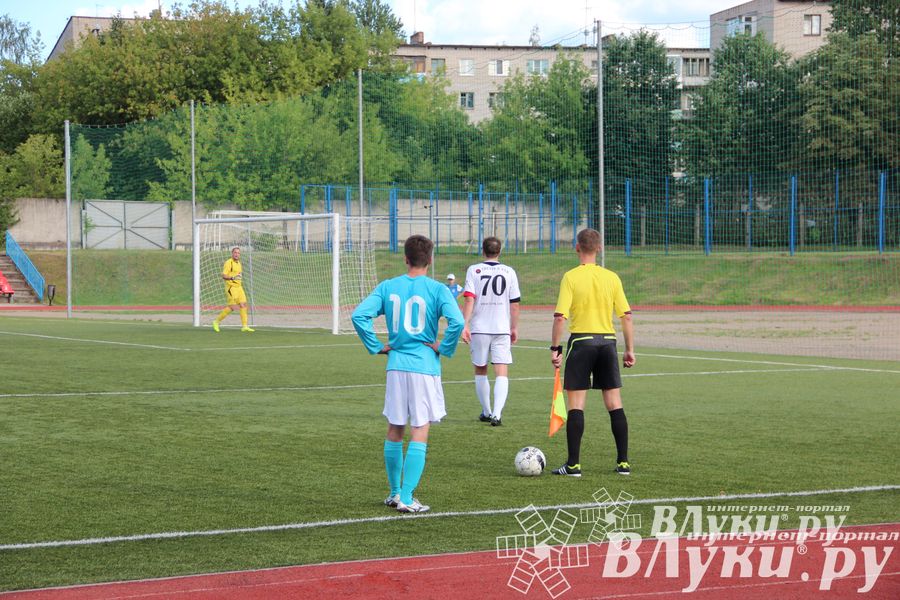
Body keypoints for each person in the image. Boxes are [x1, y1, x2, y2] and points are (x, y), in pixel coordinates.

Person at [352, 234, 464, 514]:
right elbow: (458, 321)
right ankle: (407, 496)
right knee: (420, 427)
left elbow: (358, 315)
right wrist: (444, 347)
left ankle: (393, 493)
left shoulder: (389, 286)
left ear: (405, 259)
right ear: (430, 259)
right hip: (424, 367)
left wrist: (376, 347)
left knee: (395, 427)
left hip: (396, 366)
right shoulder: (438, 290)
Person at [550, 228, 635, 477]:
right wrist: (629, 349)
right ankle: (623, 463)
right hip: (608, 343)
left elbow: (559, 318)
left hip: (582, 342)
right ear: (599, 248)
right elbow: (627, 317)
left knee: (577, 405)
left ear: (577, 248)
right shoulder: (612, 277)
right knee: (614, 404)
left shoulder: (570, 277)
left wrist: (555, 348)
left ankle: (574, 465)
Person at [460, 237, 520, 427]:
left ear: (483, 250)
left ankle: (486, 411)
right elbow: (515, 303)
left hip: (480, 328)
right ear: (499, 251)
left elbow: (469, 299)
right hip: (501, 328)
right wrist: (514, 327)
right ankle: (497, 413)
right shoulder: (509, 271)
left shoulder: (474, 270)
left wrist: (464, 324)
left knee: (480, 368)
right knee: (501, 370)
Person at [212, 247, 254, 333]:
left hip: (239, 287)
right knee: (232, 307)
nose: (237, 254)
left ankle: (244, 326)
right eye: (235, 252)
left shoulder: (239, 263)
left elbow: (238, 275)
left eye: (238, 253)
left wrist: (238, 278)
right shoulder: (228, 263)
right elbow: (223, 275)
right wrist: (232, 277)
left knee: (243, 305)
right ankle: (216, 322)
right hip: (231, 288)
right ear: (232, 253)